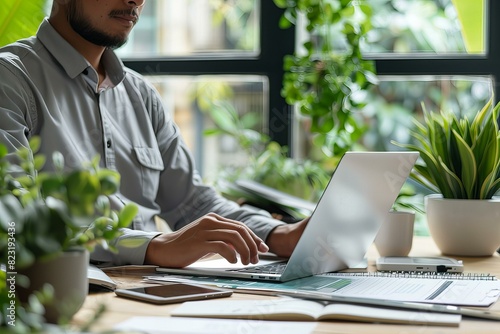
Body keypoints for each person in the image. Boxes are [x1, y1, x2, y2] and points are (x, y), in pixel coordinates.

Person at [0, 0, 307, 267]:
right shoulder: (10, 80)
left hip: (154, 295)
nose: (136, 1)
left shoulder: (141, 95)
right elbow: (18, 221)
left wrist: (280, 235)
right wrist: (154, 246)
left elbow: (193, 204)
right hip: (67, 299)